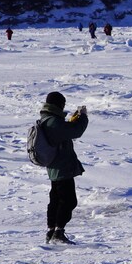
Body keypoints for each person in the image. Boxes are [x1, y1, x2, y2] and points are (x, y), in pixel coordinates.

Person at [39, 92, 88, 244]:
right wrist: (83, 117)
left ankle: (52, 231)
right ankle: (58, 233)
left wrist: (72, 121)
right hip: (62, 167)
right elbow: (76, 131)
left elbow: (65, 131)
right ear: (58, 104)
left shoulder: (48, 119)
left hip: (56, 166)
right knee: (68, 201)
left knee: (56, 199)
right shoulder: (53, 121)